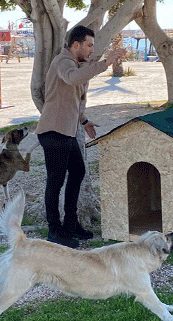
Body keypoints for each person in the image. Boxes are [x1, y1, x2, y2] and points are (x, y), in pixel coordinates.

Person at [34, 25, 126, 248]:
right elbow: (72, 78)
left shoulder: (77, 64)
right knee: (55, 182)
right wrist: (105, 63)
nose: (92, 50)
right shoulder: (63, 62)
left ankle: (71, 223)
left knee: (78, 172)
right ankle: (54, 231)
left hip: (66, 130)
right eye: (89, 45)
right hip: (53, 131)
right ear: (76, 45)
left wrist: (84, 121)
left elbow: (71, 98)